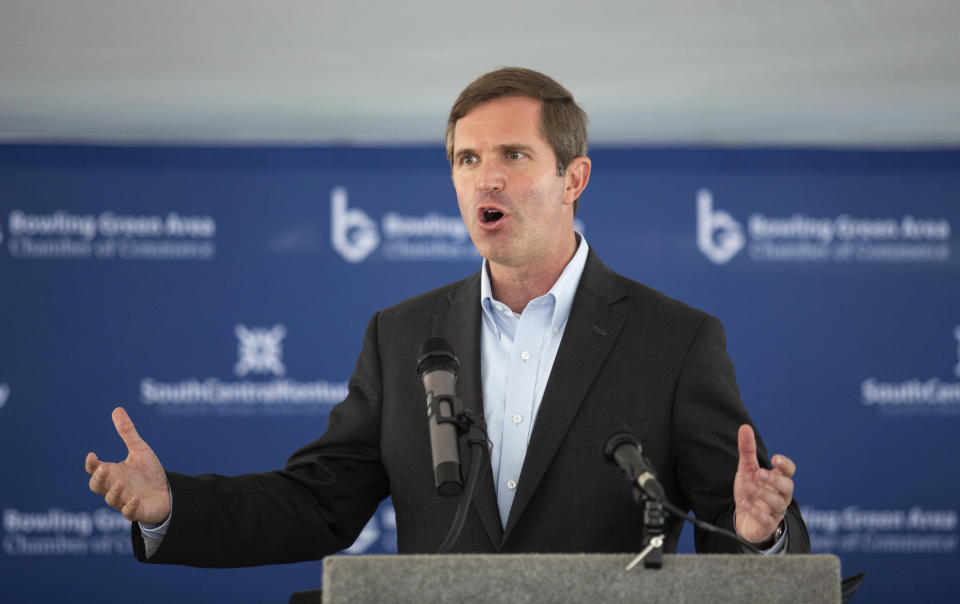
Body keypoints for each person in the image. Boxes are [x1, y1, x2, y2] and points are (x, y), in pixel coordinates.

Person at [86, 67, 809, 566]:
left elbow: (736, 527)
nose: (485, 177)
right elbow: (318, 505)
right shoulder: (402, 336)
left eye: (513, 155)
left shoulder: (674, 340)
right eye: (466, 159)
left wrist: (759, 536)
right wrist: (169, 505)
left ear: (573, 178)